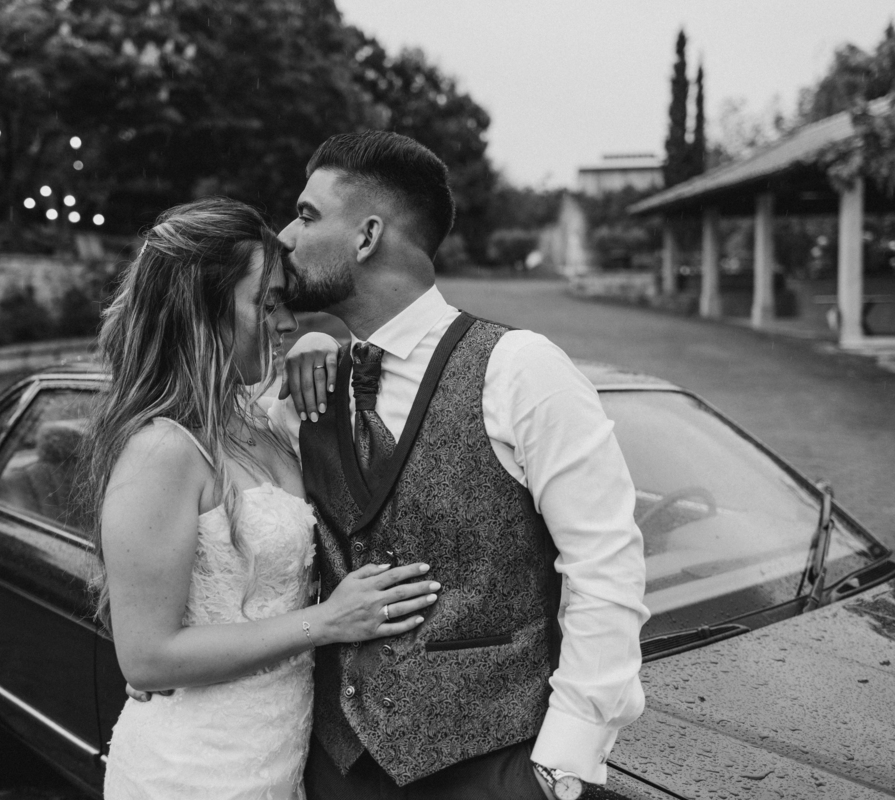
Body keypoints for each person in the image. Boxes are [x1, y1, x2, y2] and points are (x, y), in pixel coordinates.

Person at [270, 132, 650, 799]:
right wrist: (313, 338)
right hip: (336, 767)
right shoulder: (309, 387)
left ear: (366, 236)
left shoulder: (520, 369)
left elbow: (605, 563)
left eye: (305, 215)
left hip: (491, 769)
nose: (283, 237)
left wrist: (562, 765)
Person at [85, 197, 442, 800]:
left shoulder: (252, 418)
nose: (286, 322)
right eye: (266, 303)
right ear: (200, 308)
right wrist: (326, 622)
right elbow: (146, 658)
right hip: (192, 771)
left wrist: (322, 350)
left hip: (277, 758)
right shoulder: (161, 451)